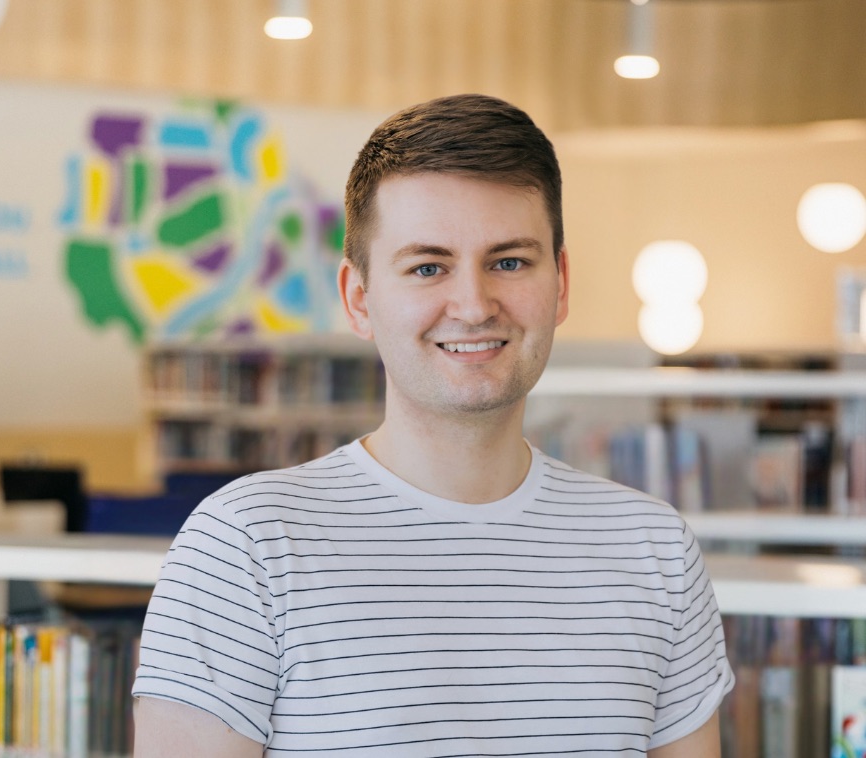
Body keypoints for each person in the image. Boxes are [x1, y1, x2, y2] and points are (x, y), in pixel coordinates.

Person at [132, 93, 734, 757]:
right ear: (358, 299)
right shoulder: (245, 547)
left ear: (560, 282)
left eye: (510, 261)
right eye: (428, 267)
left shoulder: (656, 551)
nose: (473, 305)